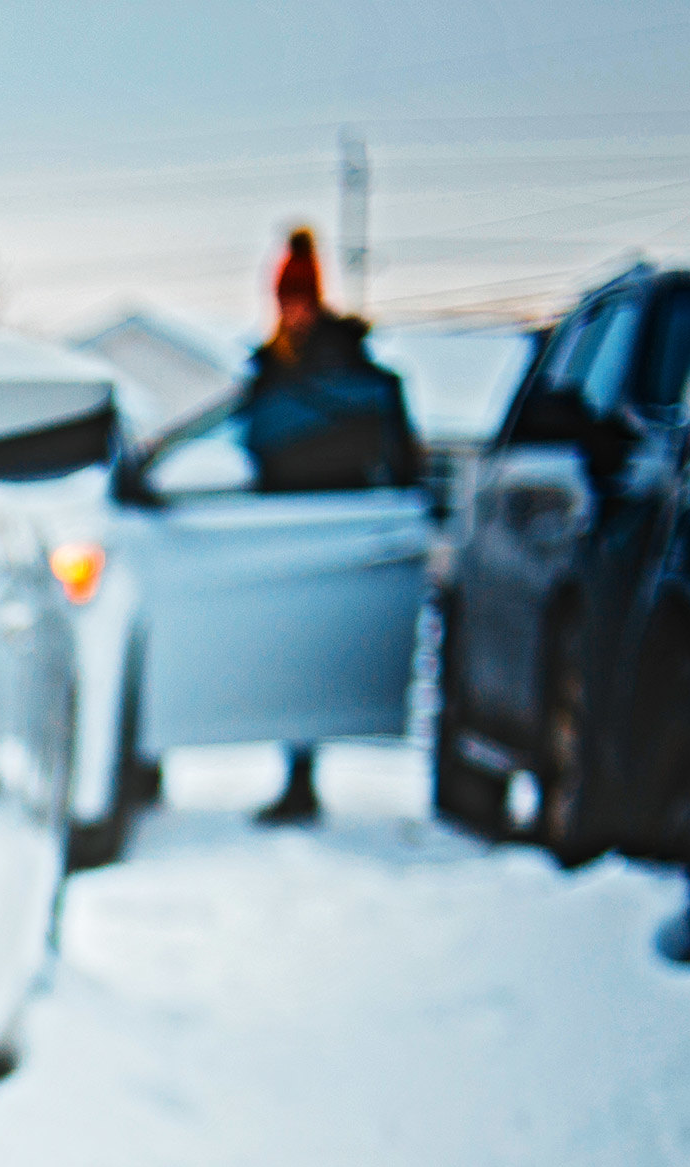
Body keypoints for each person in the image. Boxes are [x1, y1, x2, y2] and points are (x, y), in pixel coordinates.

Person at [239, 229, 426, 826]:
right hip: (279, 530)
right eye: (283, 300)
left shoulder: (343, 365)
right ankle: (296, 774)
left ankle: (304, 775)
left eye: (298, 299)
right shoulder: (269, 369)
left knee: (321, 652)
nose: (290, 312)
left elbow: (393, 441)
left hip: (336, 526)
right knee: (286, 657)